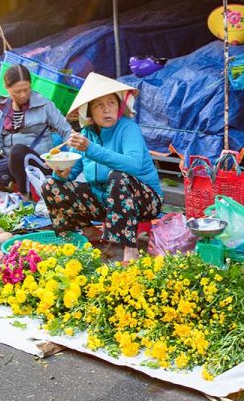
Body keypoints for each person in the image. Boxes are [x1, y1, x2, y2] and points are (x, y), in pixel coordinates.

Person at [42, 73, 162, 263]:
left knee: (118, 176)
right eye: (99, 105)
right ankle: (88, 232)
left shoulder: (128, 128)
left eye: (112, 103)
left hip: (144, 201)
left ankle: (130, 249)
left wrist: (91, 148)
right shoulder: (85, 134)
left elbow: (133, 164)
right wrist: (59, 172)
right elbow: (71, 173)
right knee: (50, 185)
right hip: (105, 202)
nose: (107, 109)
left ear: (119, 106)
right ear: (88, 111)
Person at [0, 65, 74, 196]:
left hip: (38, 163)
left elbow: (67, 132)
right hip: (9, 162)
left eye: (26, 90)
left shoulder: (44, 104)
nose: (23, 95)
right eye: (17, 92)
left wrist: (69, 158)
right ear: (7, 88)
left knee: (17, 151)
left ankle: (24, 195)